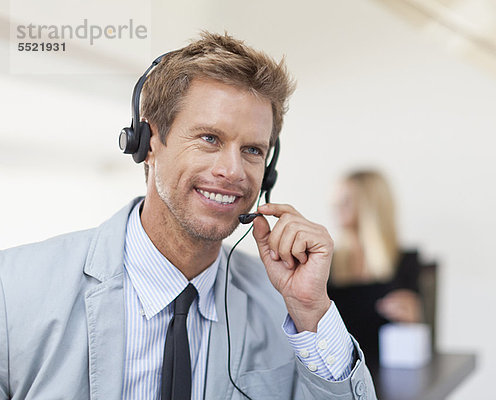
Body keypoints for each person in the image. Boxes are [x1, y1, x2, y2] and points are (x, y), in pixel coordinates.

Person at [0, 32, 376, 400]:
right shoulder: (14, 290)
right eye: (209, 138)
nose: (233, 171)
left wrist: (311, 311)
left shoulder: (283, 304)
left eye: (252, 150)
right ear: (147, 143)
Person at [328, 170, 423, 372]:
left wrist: (411, 316)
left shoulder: (405, 262)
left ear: (370, 206)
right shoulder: (327, 261)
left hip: (388, 370)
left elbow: (415, 324)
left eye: (346, 201)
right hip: (340, 371)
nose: (335, 208)